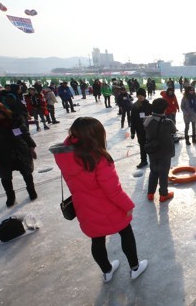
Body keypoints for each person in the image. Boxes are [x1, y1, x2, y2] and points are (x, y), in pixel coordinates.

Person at [49, 117, 148, 283]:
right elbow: (113, 190)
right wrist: (127, 205)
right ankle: (135, 267)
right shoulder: (98, 158)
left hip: (85, 208)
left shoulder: (63, 156)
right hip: (108, 208)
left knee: (97, 239)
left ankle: (107, 271)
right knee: (126, 233)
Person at [0, 102, 38, 207]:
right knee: (5, 177)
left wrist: (31, 147)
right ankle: (10, 196)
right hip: (2, 155)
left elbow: (25, 134)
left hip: (20, 151)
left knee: (27, 173)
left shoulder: (15, 120)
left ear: (4, 111)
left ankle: (31, 190)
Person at [144, 98, 177, 202]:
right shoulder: (168, 122)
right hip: (165, 152)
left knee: (153, 171)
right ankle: (163, 195)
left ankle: (150, 193)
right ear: (164, 109)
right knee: (163, 173)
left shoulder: (147, 120)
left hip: (152, 150)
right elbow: (173, 130)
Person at [130, 88, 152, 169]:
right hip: (139, 130)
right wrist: (132, 131)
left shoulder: (149, 105)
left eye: (141, 95)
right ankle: (143, 160)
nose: (140, 97)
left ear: (144, 96)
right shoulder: (134, 106)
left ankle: (153, 160)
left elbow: (153, 117)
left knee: (150, 145)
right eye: (138, 95)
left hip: (149, 130)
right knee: (142, 146)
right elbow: (132, 120)